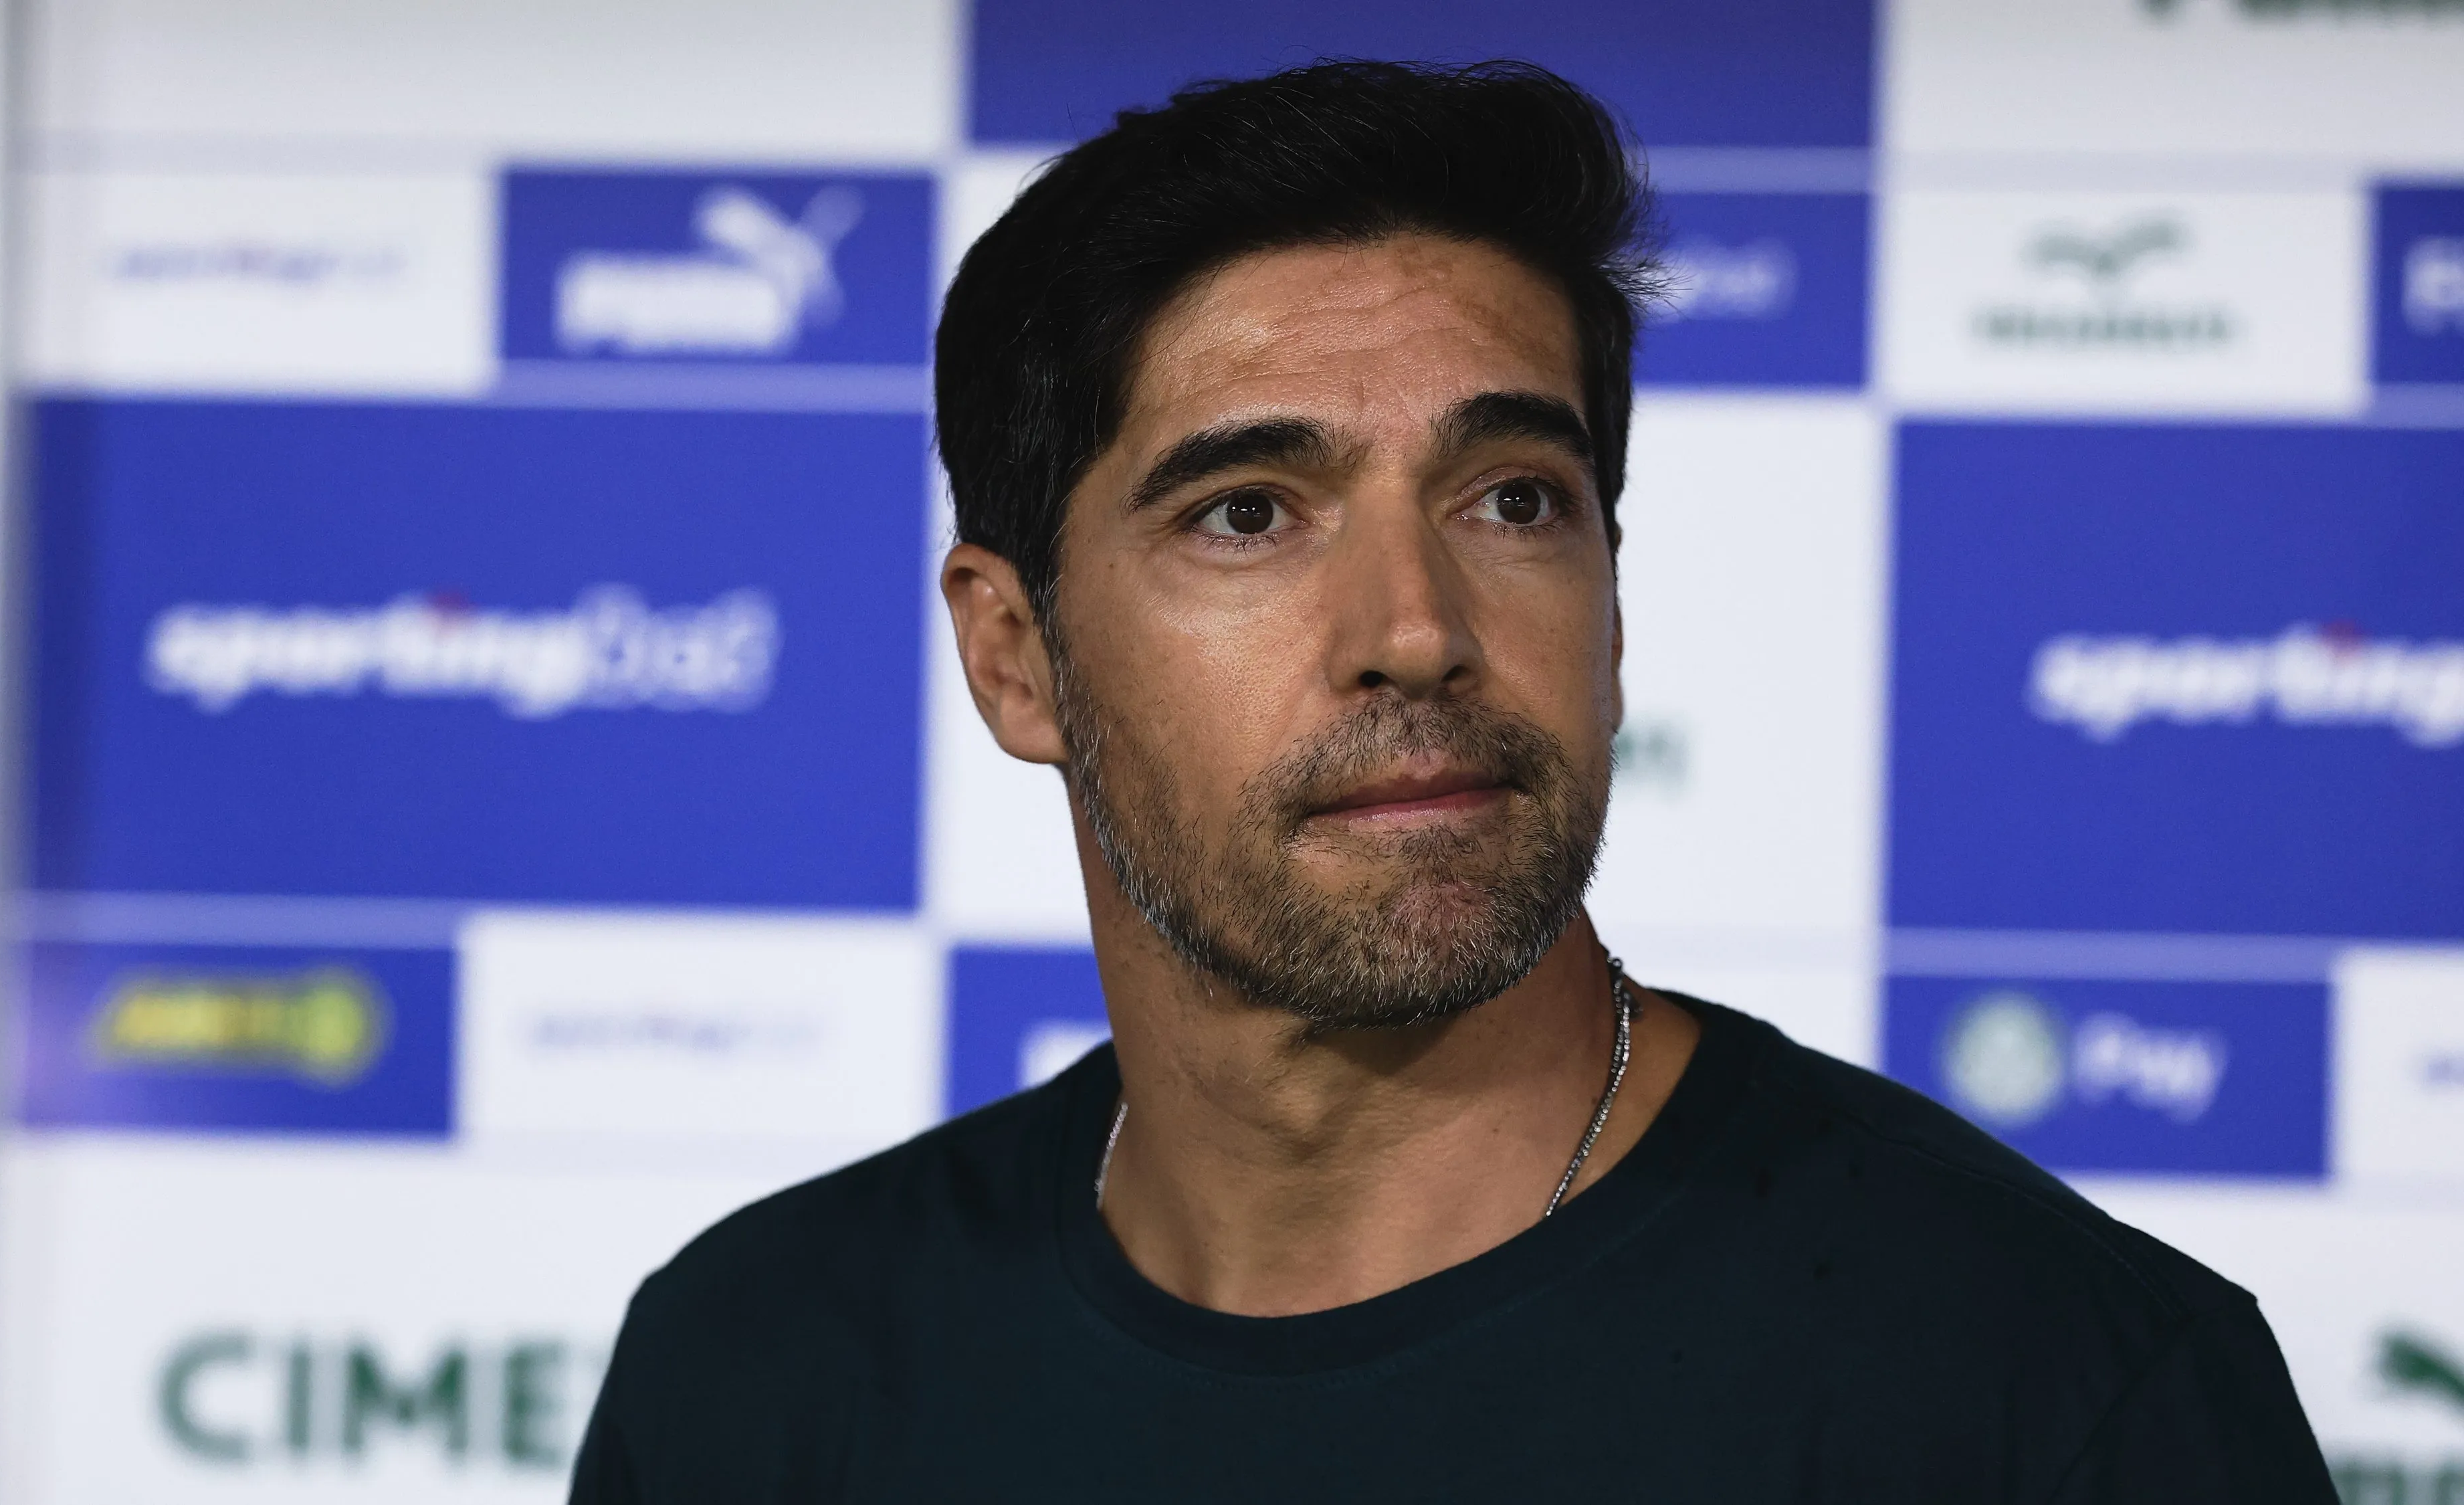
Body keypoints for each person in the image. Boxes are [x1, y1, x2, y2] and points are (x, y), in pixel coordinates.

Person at [569, 61, 2332, 1502]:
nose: (1417, 631)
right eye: (1248, 514)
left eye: (1514, 501)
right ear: (1014, 656)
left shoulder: (2060, 1397)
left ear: (1615, 605)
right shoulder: (760, 1373)